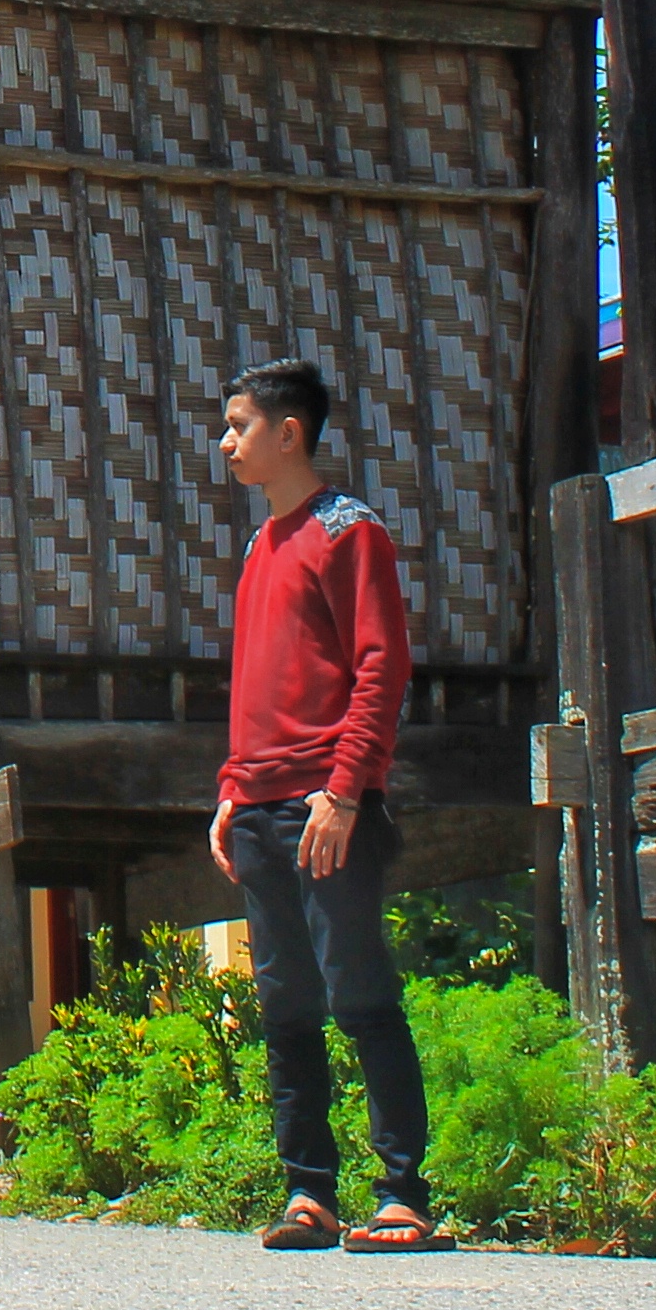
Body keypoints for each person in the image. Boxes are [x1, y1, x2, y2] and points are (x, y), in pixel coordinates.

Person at [208, 359, 445, 1252]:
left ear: (289, 432)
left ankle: (403, 1194)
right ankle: (309, 1191)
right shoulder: (258, 548)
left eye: (239, 425)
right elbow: (256, 686)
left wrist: (346, 791)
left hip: (324, 807)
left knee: (362, 997)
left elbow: (382, 669)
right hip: (261, 810)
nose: (227, 443)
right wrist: (232, 792)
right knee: (285, 1006)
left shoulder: (351, 534)